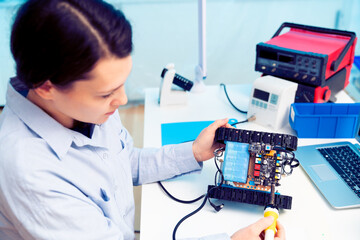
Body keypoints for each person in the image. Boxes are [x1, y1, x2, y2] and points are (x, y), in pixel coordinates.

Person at [0, 0, 285, 239]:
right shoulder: (29, 172)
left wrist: (194, 152)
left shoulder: (84, 107)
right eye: (107, 93)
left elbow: (121, 163)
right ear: (46, 86)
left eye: (123, 83)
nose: (122, 100)